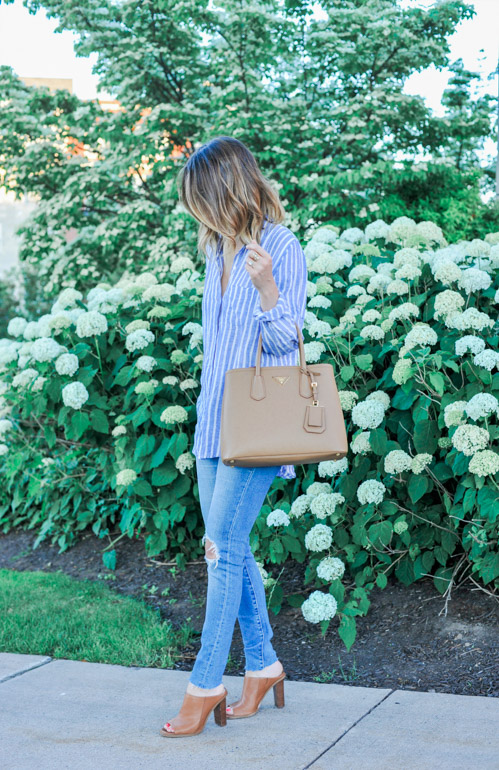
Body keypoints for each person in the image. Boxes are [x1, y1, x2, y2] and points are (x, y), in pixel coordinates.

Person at [160, 135, 308, 737]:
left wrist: (269, 287)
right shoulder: (215, 251)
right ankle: (265, 664)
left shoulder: (280, 246)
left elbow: (286, 343)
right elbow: (215, 349)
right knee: (230, 548)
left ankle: (204, 684)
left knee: (220, 551)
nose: (200, 215)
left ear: (228, 191)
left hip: (256, 427)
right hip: (212, 423)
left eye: (204, 201)